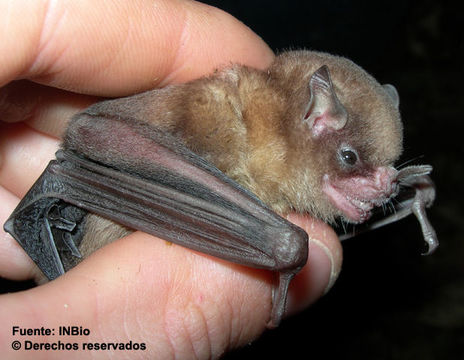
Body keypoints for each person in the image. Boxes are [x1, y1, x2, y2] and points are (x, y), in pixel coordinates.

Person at [0, 1, 342, 358]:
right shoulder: (219, 123)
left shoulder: (261, 196)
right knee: (284, 244)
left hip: (89, 250)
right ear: (314, 117)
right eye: (348, 159)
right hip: (91, 243)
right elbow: (90, 131)